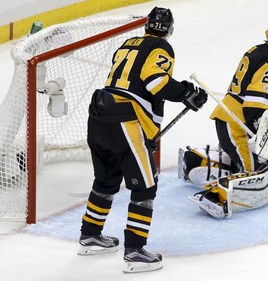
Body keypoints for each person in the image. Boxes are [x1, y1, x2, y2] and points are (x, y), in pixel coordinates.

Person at [77, 6, 208, 273]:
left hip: (99, 116)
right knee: (145, 187)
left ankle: (90, 235)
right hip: (125, 121)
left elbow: (130, 81)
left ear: (147, 25)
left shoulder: (128, 43)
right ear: (169, 30)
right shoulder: (162, 47)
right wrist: (187, 92)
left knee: (106, 179)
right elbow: (155, 83)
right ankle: (135, 252)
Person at [181, 18, 268, 219]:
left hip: (230, 118)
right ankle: (217, 198)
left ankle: (196, 161)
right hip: (234, 122)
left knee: (246, 160)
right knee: (250, 171)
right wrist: (264, 140)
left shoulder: (258, 50)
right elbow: (258, 104)